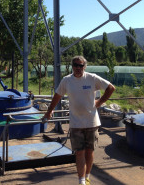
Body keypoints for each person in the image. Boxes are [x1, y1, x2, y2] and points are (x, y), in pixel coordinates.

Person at [43, 55, 115, 185]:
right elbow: (57, 96)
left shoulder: (92, 78)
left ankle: (87, 176)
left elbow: (111, 88)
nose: (78, 68)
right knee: (79, 152)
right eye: (75, 65)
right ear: (72, 67)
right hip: (76, 123)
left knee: (89, 151)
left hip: (92, 122)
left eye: (80, 65)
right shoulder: (67, 80)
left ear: (84, 66)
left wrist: (100, 101)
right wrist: (49, 111)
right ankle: (81, 181)